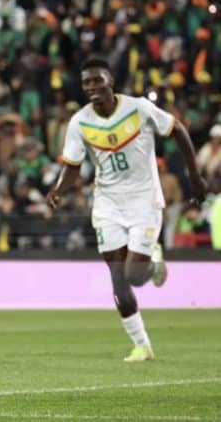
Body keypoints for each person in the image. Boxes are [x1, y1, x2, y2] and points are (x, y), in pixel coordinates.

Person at [46, 58, 206, 362]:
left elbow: (178, 129)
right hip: (107, 203)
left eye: (97, 80)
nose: (92, 87)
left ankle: (153, 261)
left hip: (144, 200)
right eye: (86, 82)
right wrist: (58, 189)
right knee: (118, 277)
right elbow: (73, 166)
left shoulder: (138, 108)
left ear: (111, 80)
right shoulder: (80, 122)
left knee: (134, 275)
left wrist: (195, 177)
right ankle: (142, 346)